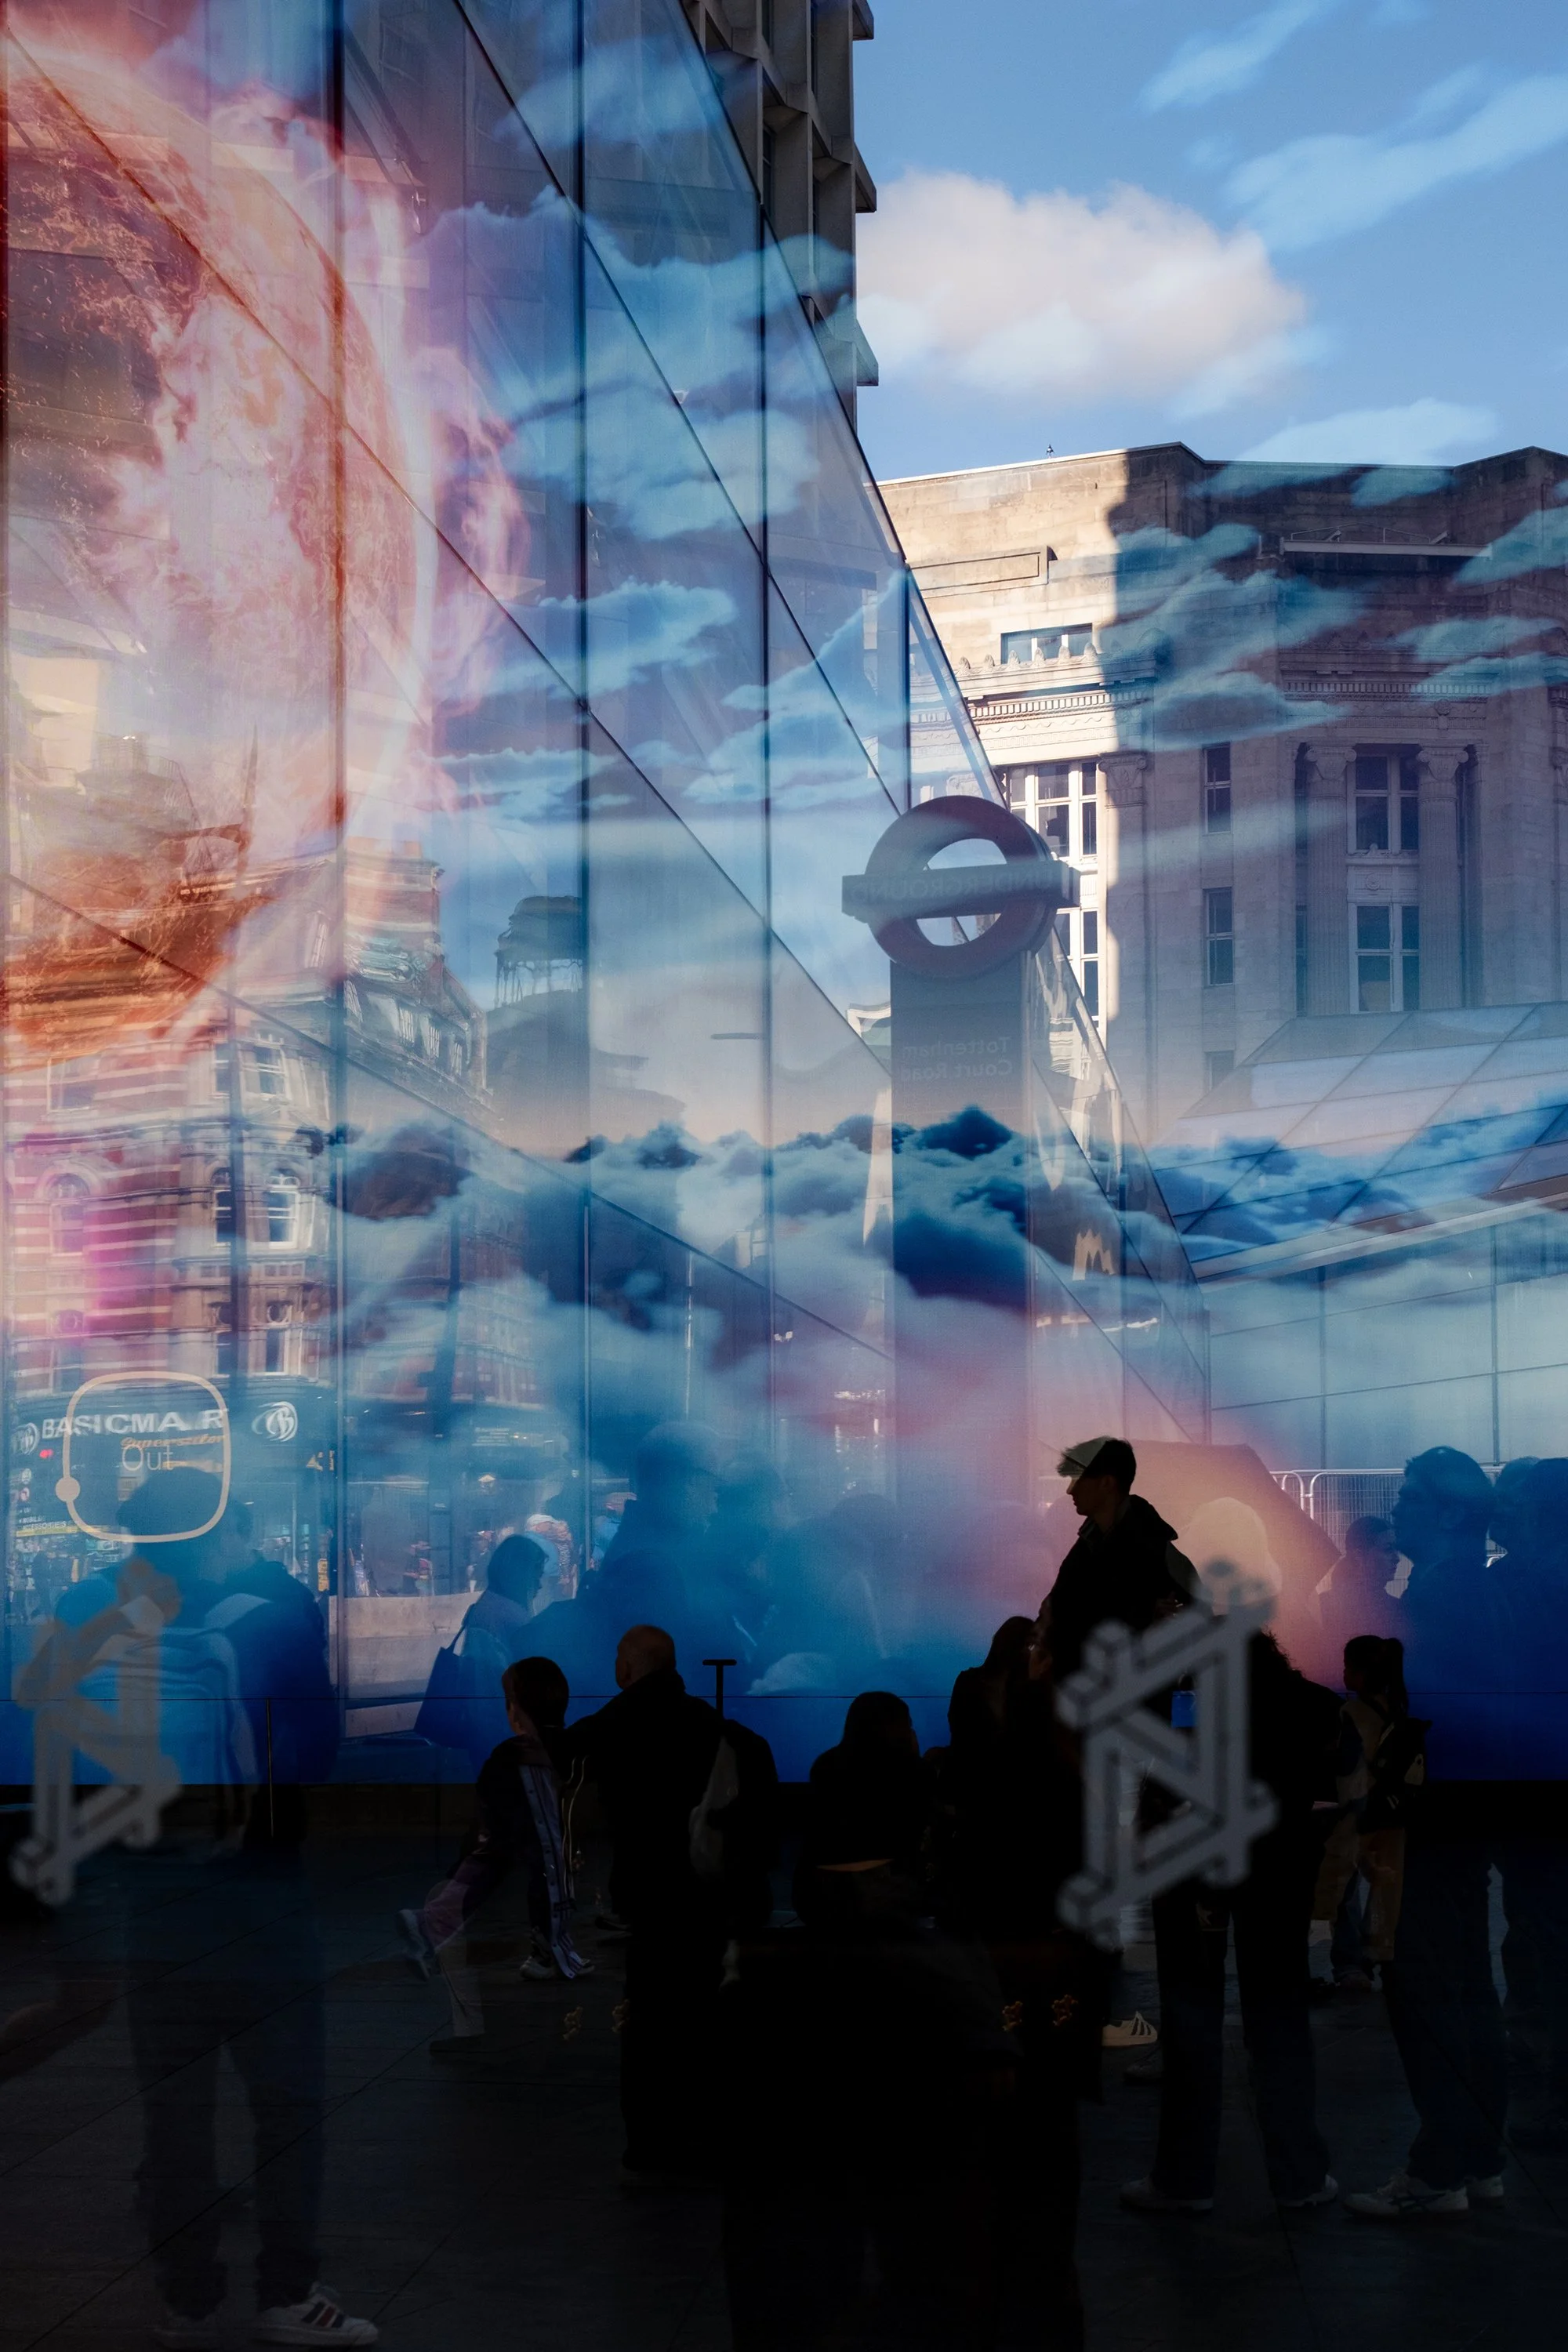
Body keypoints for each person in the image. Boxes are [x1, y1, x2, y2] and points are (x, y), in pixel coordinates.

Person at [103, 1470, 375, 2347]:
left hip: (153, 1907)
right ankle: (288, 2296)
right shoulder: (270, 1619)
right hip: (260, 1907)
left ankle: (186, 2295)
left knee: (175, 2116)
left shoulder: (104, 1623)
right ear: (224, 1534)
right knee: (288, 2109)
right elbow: (319, 1753)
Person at [1121, 1632, 1340, 2218]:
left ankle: (1184, 2179)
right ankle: (1300, 2176)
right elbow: (1338, 1787)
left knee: (1192, 2020)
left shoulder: (1185, 1703)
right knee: (1280, 2019)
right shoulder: (1313, 1703)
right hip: (1280, 1871)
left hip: (1194, 1874)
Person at [561, 1623, 777, 2187]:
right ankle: (712, 2128)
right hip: (711, 1895)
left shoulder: (614, 1724)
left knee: (652, 2021)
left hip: (653, 1898)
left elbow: (562, 1761)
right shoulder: (718, 1730)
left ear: (627, 1669)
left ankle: (652, 2142)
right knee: (709, 2015)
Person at [399, 1656, 590, 2046]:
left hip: (501, 1843)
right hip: (550, 1863)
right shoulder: (570, 1748)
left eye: (508, 1700)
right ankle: (546, 1949)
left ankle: (438, 1934)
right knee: (537, 1863)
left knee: (487, 1868)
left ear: (517, 1707)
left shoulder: (510, 1757)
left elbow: (488, 1840)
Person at [1313, 1636, 1427, 1991]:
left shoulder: (1351, 1713)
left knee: (1339, 1889)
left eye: (1347, 1668)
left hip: (1358, 1814)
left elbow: (1349, 1769)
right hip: (1393, 1814)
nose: (1343, 1675)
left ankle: (1345, 1962)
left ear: (1359, 1675)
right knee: (1385, 1887)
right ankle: (1377, 1954)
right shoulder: (1398, 1708)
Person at [1045, 1436, 1199, 1682]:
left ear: (1106, 1483)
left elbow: (1199, 1621)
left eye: (1078, 1479)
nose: (1070, 1489)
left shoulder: (1156, 1549)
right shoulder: (1088, 1543)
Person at [793, 1691, 933, 1928]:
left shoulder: (825, 1764)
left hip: (815, 1893)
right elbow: (914, 1831)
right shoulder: (912, 1770)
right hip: (886, 1893)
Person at [412, 1533, 549, 1768]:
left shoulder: (490, 1607)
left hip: (491, 1739)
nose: (539, 1584)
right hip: (502, 1741)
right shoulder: (509, 1619)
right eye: (536, 1575)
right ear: (520, 1574)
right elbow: (495, 1694)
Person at [1314, 1515, 1404, 1660]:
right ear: (1359, 1555)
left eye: (1396, 1550)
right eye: (1388, 1550)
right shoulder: (1395, 1609)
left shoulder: (1323, 1604)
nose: (1397, 1558)